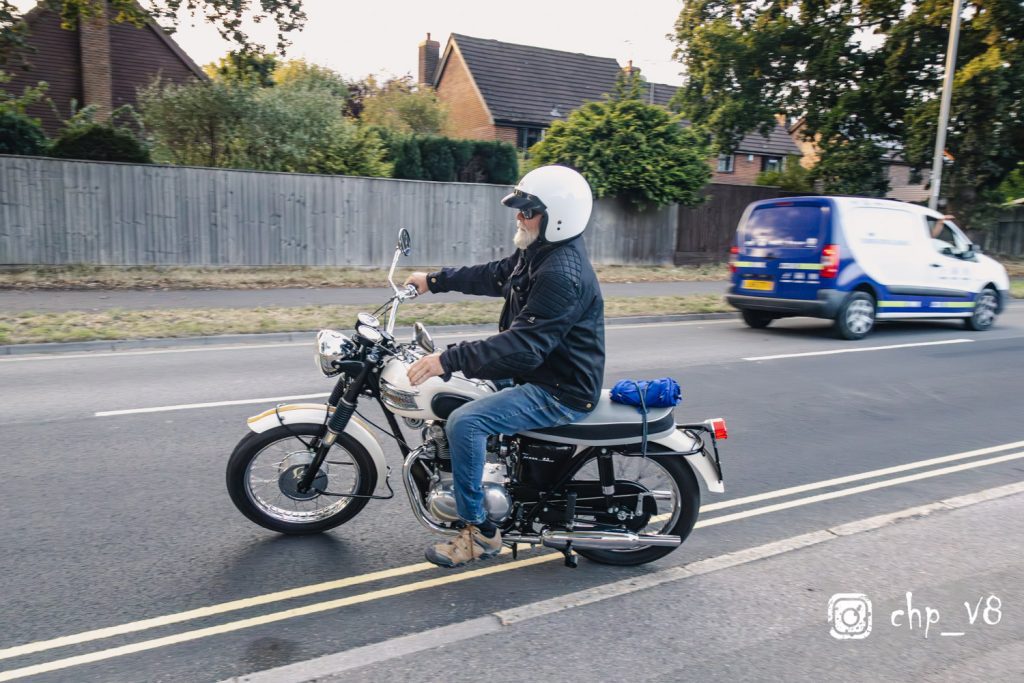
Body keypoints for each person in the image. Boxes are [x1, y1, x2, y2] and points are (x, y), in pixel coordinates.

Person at [404, 165, 606, 568]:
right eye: (519, 209)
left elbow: (525, 346)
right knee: (462, 390)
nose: (519, 216)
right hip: (543, 369)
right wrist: (435, 279)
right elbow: (497, 274)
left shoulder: (561, 273)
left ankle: (481, 532)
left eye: (527, 210)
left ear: (557, 216)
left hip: (558, 387)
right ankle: (491, 471)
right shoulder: (540, 252)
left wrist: (447, 358)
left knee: (465, 421)